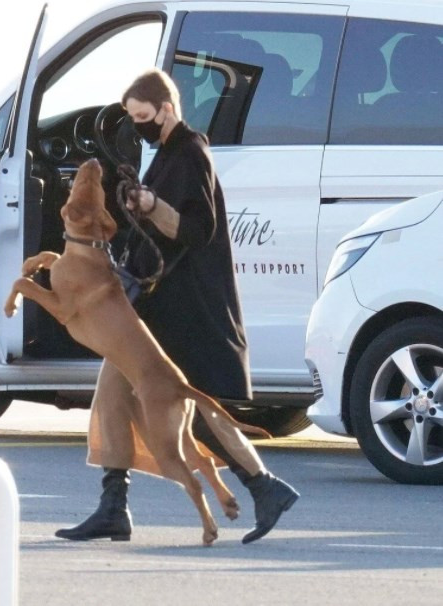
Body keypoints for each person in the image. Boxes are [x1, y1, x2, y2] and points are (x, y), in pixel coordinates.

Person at [55, 68, 299, 544]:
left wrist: (150, 205)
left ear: (166, 109)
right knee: (115, 394)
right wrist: (133, 207)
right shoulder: (166, 154)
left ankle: (264, 486)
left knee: (200, 411)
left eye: (143, 116)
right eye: (131, 118)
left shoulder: (191, 153)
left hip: (187, 310)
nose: (138, 125)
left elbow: (197, 230)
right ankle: (114, 504)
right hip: (157, 308)